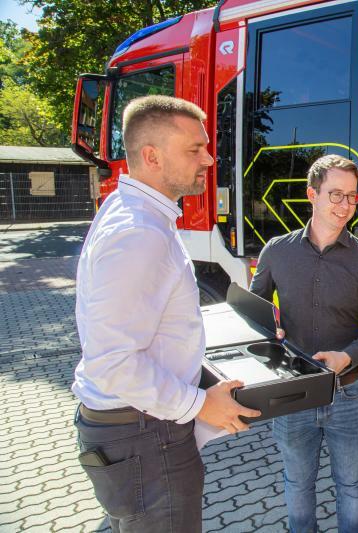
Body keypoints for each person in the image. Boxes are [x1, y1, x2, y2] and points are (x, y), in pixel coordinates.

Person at [72, 95, 260, 532]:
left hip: (134, 431)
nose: (209, 159)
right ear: (152, 156)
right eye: (194, 149)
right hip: (145, 436)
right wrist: (198, 403)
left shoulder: (136, 214)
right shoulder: (139, 232)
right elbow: (114, 361)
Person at [250, 154, 358, 533]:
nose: (345, 206)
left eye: (352, 196)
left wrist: (346, 357)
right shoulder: (276, 251)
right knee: (298, 483)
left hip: (347, 394)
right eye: (335, 195)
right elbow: (251, 316)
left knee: (350, 484)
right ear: (311, 194)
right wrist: (270, 333)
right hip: (292, 393)